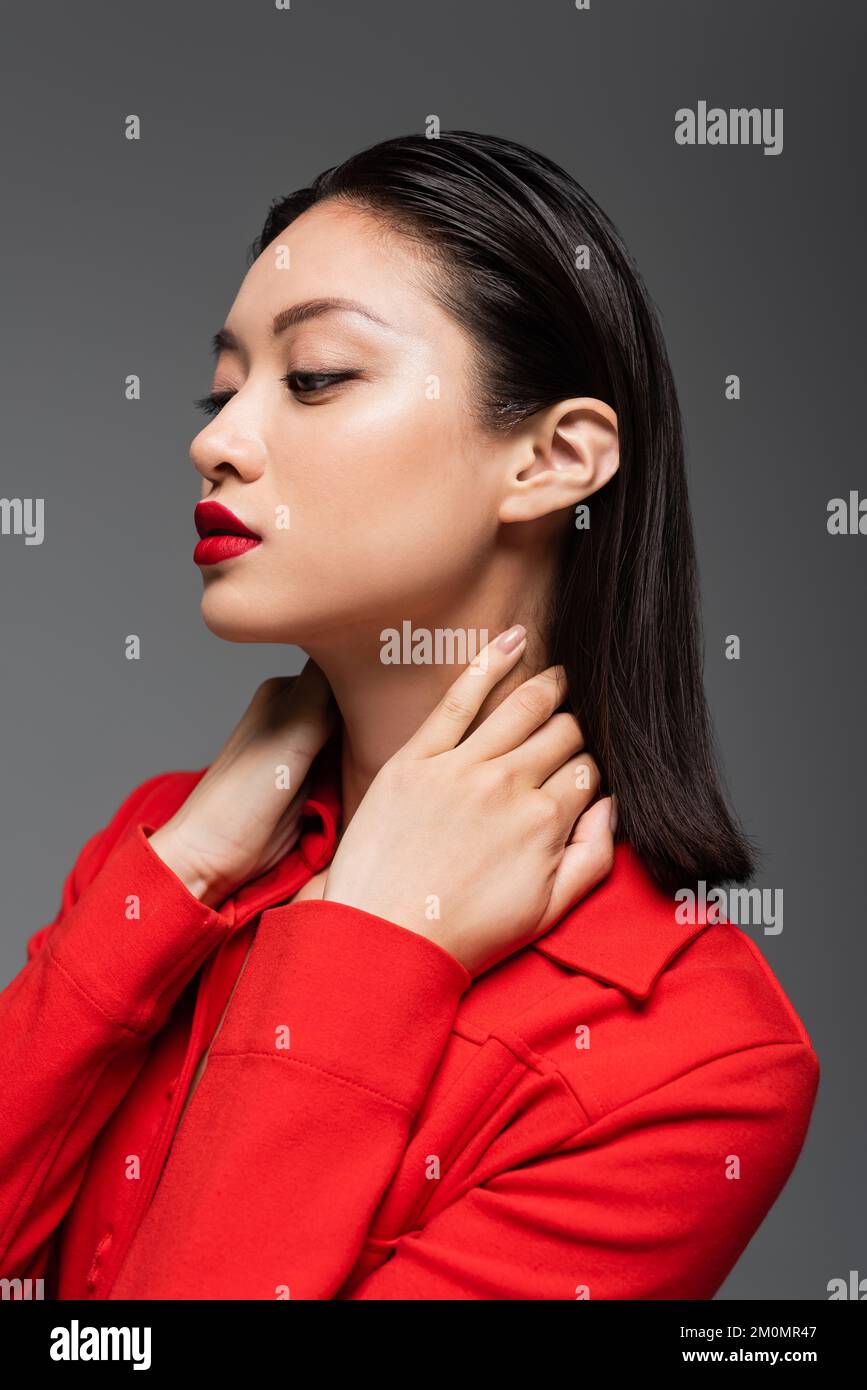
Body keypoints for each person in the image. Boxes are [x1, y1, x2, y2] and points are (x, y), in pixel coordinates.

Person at [0, 131, 818, 1300]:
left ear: (553, 458)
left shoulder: (694, 1058)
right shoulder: (169, 861)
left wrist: (366, 958)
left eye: (317, 376)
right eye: (220, 390)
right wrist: (174, 875)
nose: (215, 441)